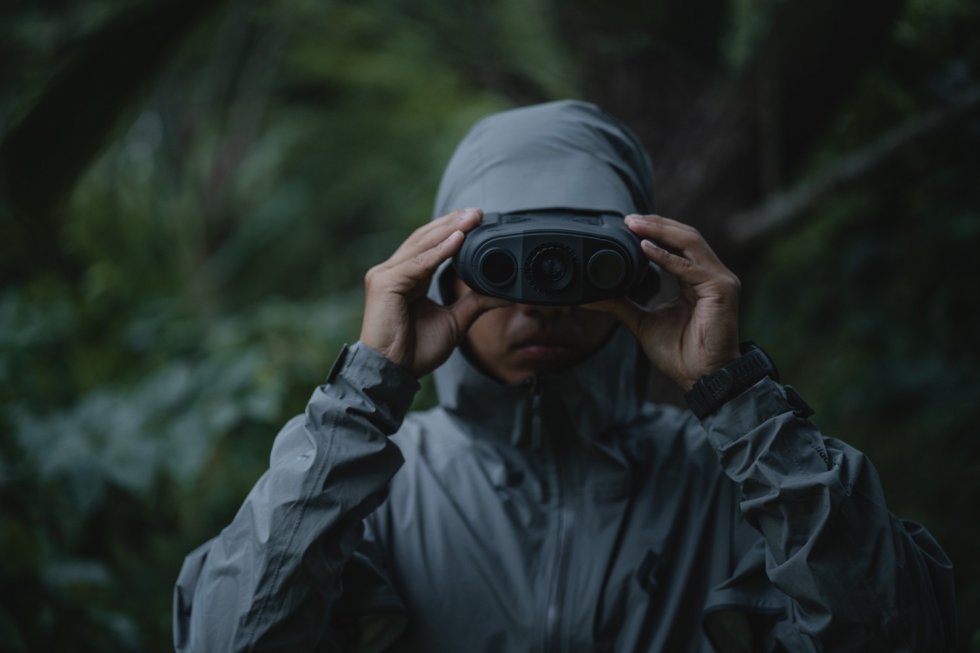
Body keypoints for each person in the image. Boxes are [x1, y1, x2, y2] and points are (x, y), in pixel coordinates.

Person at [173, 100, 956, 651]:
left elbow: (893, 635)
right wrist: (364, 389)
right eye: (502, 268)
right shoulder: (370, 490)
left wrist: (739, 399)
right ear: (441, 273)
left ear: (638, 265)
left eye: (579, 266)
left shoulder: (738, 485)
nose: (541, 304)